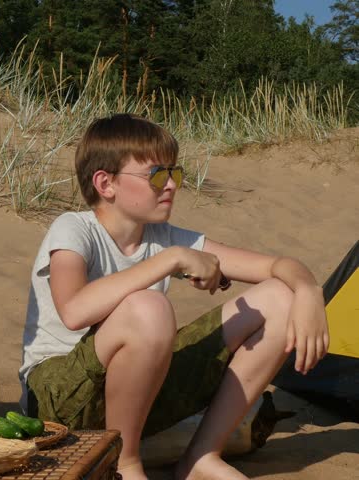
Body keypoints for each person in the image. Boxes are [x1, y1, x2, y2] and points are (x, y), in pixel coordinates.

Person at [19, 114, 328, 480]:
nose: (170, 185)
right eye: (156, 175)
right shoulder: (73, 228)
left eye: (174, 173)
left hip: (137, 397)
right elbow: (74, 310)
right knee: (149, 307)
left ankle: (201, 458)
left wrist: (308, 290)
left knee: (281, 297)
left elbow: (277, 266)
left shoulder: (165, 236)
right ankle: (123, 463)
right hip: (59, 403)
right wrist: (172, 260)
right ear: (106, 183)